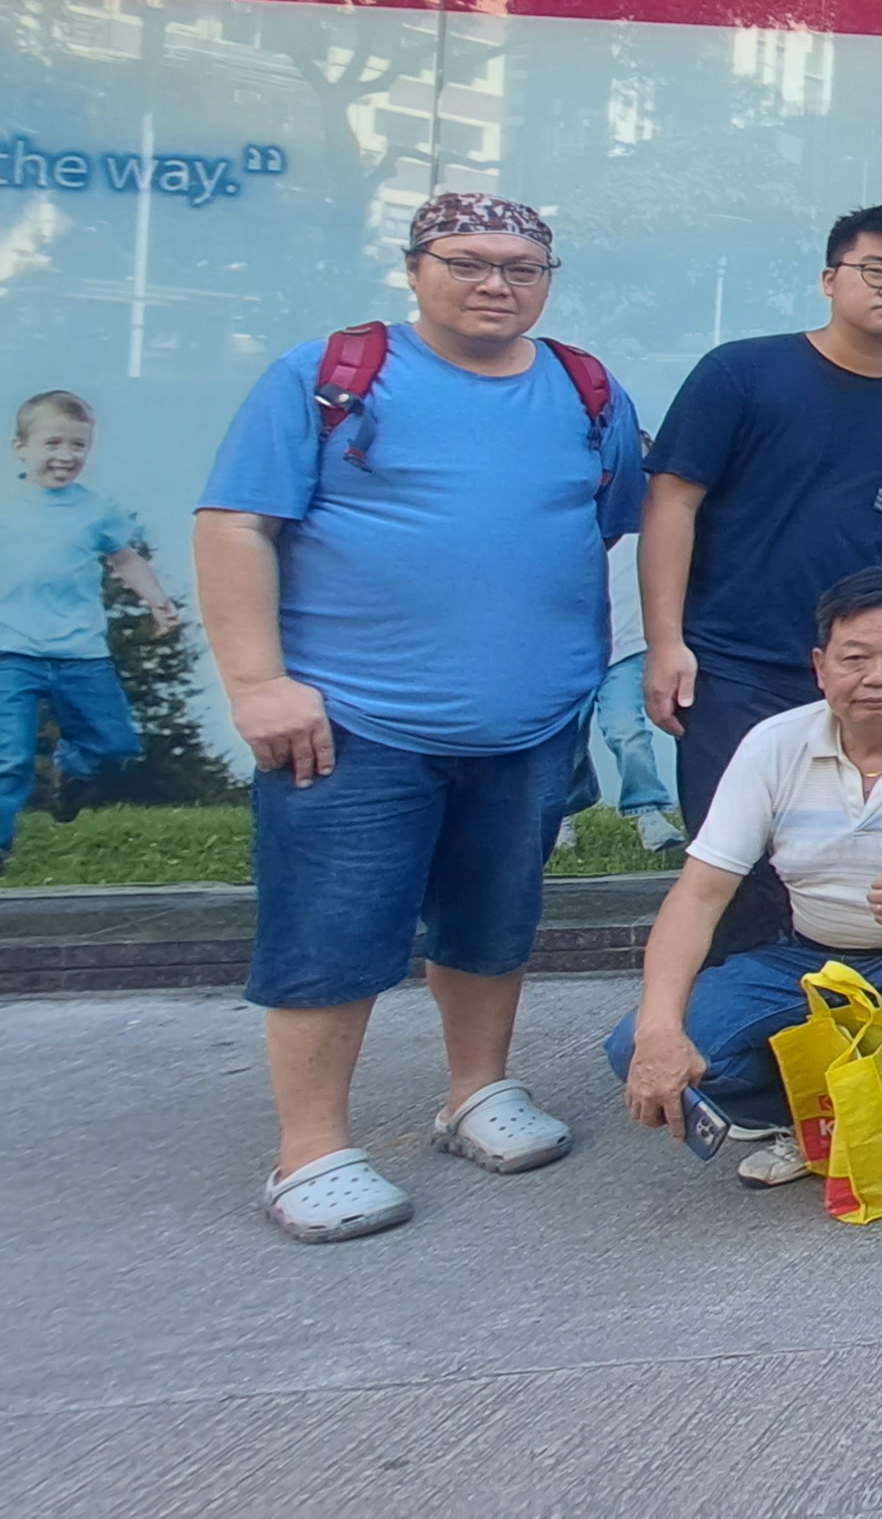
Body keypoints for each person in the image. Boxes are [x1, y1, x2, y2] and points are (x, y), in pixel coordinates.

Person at [197, 193, 649, 1243]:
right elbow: (233, 526)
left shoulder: (585, 389)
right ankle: (310, 1148)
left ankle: (476, 1091)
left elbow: (605, 526)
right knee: (332, 930)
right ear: (414, 268)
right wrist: (257, 682)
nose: (497, 284)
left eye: (523, 268)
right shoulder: (328, 377)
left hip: (529, 722)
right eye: (468, 262)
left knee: (494, 920)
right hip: (353, 721)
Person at [611, 570, 882, 1199]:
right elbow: (698, 896)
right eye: (855, 658)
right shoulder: (773, 744)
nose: (877, 677)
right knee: (638, 1044)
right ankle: (812, 1112)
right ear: (819, 666)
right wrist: (657, 1030)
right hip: (808, 953)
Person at [641, 204, 882, 905]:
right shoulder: (740, 373)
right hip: (732, 662)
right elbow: (672, 503)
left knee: (849, 860)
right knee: (735, 868)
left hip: (858, 672)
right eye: (876, 270)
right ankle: (735, 978)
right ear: (829, 278)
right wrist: (666, 643)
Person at [2, 390, 175, 856]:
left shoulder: (96, 511)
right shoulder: (6, 504)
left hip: (81, 654)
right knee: (8, 759)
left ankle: (73, 775)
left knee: (114, 744)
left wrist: (156, 600)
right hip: (10, 654)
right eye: (53, 443)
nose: (66, 455)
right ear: (20, 448)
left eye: (78, 446)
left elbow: (125, 558)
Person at [589, 533, 680, 851]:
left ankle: (648, 811)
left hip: (624, 654)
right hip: (569, 653)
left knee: (626, 731)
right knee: (564, 741)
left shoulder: (642, 532)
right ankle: (563, 814)